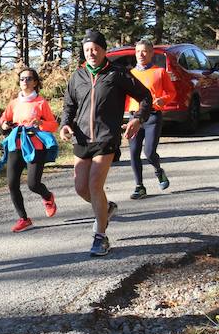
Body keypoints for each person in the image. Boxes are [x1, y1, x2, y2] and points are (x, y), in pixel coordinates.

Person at [59, 29, 152, 256]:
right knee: (81, 188)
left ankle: (100, 237)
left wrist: (138, 119)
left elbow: (146, 97)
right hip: (81, 138)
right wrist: (64, 124)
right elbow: (69, 106)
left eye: (95, 49)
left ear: (103, 50)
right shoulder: (77, 76)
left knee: (94, 185)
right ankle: (107, 208)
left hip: (106, 137)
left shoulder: (118, 74)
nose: (91, 53)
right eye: (87, 50)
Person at [0, 67, 60, 232]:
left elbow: (53, 125)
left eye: (28, 78)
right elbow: (5, 118)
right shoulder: (14, 103)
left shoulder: (41, 103)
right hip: (16, 144)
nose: (24, 81)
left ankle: (47, 196)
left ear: (35, 82)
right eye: (22, 79)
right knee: (12, 183)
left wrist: (42, 124)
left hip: (35, 146)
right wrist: (4, 124)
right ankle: (23, 219)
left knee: (33, 184)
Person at [126, 39, 176, 199]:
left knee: (149, 152)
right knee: (133, 153)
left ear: (151, 53)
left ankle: (158, 170)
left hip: (153, 116)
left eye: (144, 51)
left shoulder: (159, 72)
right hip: (134, 116)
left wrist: (163, 99)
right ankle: (139, 186)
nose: (140, 54)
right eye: (138, 51)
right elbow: (124, 97)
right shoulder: (130, 74)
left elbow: (171, 92)